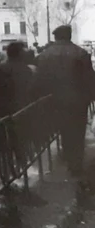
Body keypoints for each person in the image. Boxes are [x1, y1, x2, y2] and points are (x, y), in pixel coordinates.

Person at [35, 24, 95, 176]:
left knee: (63, 129)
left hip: (54, 101)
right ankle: (76, 163)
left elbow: (40, 80)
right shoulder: (81, 53)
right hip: (78, 101)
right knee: (78, 131)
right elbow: (90, 79)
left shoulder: (44, 55)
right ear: (69, 35)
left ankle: (67, 155)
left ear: (56, 37)